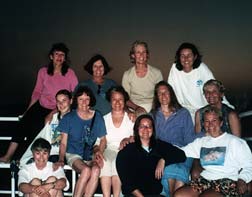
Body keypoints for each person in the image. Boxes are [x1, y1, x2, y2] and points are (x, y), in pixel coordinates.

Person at [0, 43, 78, 163]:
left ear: (65, 58)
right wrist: (28, 110)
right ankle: (8, 156)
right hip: (40, 106)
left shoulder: (70, 74)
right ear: (51, 56)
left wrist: (56, 111)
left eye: (62, 54)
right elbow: (37, 92)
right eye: (56, 54)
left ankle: (25, 160)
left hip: (59, 108)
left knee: (36, 134)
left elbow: (75, 93)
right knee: (22, 126)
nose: (59, 57)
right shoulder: (43, 71)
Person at [174, 106, 252, 197]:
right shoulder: (201, 142)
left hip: (227, 181)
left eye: (214, 120)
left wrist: (242, 179)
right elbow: (180, 152)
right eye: (207, 121)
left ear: (221, 122)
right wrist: (163, 158)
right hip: (205, 180)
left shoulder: (236, 142)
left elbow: (249, 165)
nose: (210, 124)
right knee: (179, 195)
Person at [116, 114, 186, 197]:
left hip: (155, 194)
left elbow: (181, 155)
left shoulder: (159, 145)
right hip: (134, 195)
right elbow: (127, 183)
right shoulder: (126, 151)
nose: (146, 129)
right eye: (142, 126)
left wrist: (163, 160)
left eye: (149, 126)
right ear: (137, 129)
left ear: (153, 130)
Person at [56, 86, 107, 197]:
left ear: (90, 100)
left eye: (87, 99)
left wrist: (99, 153)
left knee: (96, 170)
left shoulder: (97, 116)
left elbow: (103, 140)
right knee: (86, 171)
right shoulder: (68, 118)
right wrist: (61, 159)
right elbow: (63, 143)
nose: (84, 102)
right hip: (73, 153)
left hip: (90, 154)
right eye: (81, 99)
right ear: (76, 100)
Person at [151, 81, 196, 196]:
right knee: (170, 170)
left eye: (166, 92)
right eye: (159, 93)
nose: (163, 96)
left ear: (171, 94)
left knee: (180, 170)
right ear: (156, 97)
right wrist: (163, 157)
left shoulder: (183, 113)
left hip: (183, 152)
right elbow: (151, 140)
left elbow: (189, 140)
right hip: (163, 152)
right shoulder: (153, 115)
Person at [167, 42, 231, 121]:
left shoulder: (202, 68)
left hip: (204, 110)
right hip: (184, 111)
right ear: (179, 58)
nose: (186, 59)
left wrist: (228, 107)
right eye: (182, 56)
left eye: (189, 55)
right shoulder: (175, 68)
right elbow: (170, 90)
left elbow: (215, 87)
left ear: (195, 57)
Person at [19, 89, 72, 167]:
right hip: (51, 153)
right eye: (58, 101)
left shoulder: (75, 118)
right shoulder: (52, 118)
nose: (61, 104)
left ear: (71, 101)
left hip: (68, 154)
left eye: (64, 100)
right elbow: (46, 136)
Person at [100, 86, 134, 197]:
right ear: (110, 101)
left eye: (120, 99)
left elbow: (138, 137)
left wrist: (128, 139)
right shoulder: (104, 119)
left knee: (117, 163)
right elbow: (101, 141)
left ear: (125, 101)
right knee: (104, 162)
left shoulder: (131, 118)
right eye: (114, 99)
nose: (117, 102)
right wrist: (99, 152)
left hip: (126, 150)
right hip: (109, 149)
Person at [122, 40, 163, 114]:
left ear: (147, 54)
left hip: (153, 108)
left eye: (144, 52)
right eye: (138, 52)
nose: (141, 55)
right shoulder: (127, 75)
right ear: (133, 55)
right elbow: (125, 99)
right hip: (134, 108)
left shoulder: (156, 73)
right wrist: (137, 108)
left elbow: (160, 95)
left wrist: (152, 110)